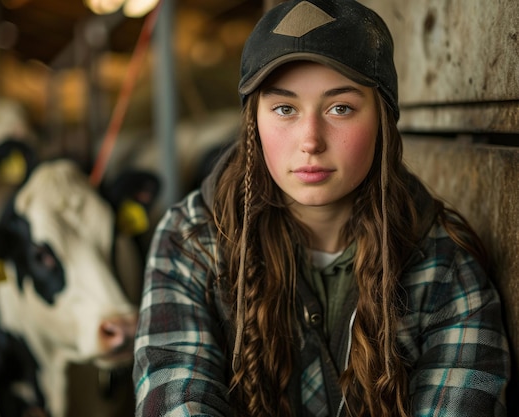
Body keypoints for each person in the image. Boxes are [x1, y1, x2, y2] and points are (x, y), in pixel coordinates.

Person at [132, 0, 511, 416]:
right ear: (253, 123)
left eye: (340, 108)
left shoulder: (443, 267)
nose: (310, 140)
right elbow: (175, 396)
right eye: (284, 109)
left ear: (383, 119)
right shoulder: (192, 242)